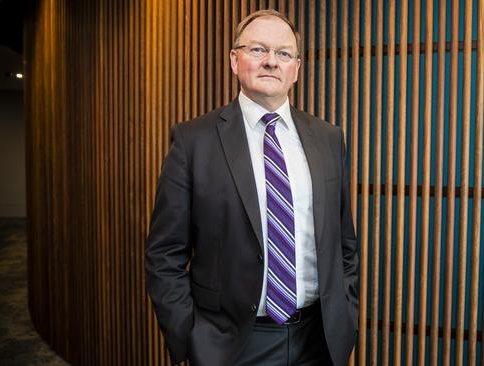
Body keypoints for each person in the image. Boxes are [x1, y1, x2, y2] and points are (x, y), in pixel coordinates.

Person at [145, 9, 358, 366]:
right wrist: (189, 337)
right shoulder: (193, 141)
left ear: (296, 68)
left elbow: (344, 243)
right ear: (235, 59)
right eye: (258, 49)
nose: (271, 62)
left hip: (318, 341)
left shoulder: (329, 138)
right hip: (231, 345)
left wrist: (346, 316)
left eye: (284, 53)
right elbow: (164, 253)